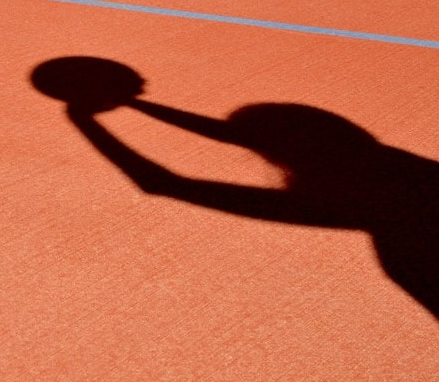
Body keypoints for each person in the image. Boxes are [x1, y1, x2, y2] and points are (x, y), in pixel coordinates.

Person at [31, 56, 439, 321]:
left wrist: (82, 117)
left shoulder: (341, 205)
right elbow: (239, 135)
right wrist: (132, 103)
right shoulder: (394, 168)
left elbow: (161, 183)